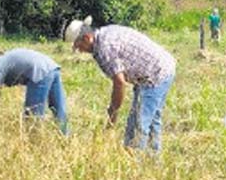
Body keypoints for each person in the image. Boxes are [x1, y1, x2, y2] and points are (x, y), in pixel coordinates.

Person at [73, 23, 176, 153]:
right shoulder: (104, 34)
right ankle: (152, 161)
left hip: (154, 74)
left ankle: (136, 164)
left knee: (137, 125)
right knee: (152, 120)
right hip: (163, 66)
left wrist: (113, 112)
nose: (80, 51)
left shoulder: (105, 48)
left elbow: (120, 83)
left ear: (87, 38)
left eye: (79, 46)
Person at [0, 48, 68, 135]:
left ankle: (34, 140)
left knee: (33, 113)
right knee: (59, 109)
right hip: (53, 67)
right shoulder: (8, 57)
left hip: (38, 72)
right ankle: (65, 136)